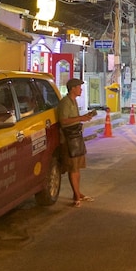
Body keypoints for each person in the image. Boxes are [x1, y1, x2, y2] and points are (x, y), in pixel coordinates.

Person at [57, 78, 97, 207]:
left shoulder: (73, 101)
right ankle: (76, 196)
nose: (81, 89)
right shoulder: (65, 103)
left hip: (76, 136)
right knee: (73, 168)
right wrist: (81, 118)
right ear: (73, 88)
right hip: (69, 138)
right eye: (79, 87)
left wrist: (84, 118)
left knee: (77, 167)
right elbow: (63, 121)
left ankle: (77, 193)